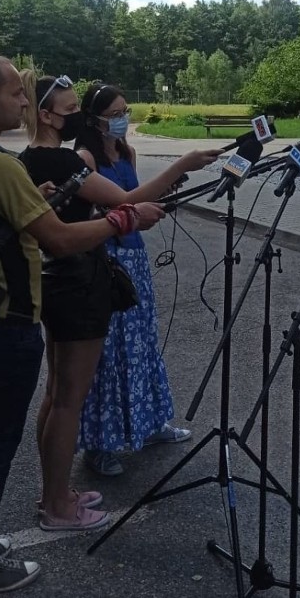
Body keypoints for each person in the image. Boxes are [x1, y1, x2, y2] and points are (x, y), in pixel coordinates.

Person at [0, 55, 164, 598]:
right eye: (16, 92)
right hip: (6, 316)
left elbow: (0, 225)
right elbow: (60, 240)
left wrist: (32, 205)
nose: (24, 99)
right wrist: (121, 220)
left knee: (2, 432)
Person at [17, 72, 167, 532]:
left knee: (56, 393)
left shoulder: (27, 159)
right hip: (78, 282)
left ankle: (55, 491)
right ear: (45, 115)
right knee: (69, 401)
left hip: (55, 281)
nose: (78, 118)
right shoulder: (60, 164)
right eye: (71, 111)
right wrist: (186, 165)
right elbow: (126, 200)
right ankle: (59, 508)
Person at [74, 82, 218, 476]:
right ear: (94, 119)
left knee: (142, 343)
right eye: (116, 114)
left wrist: (157, 201)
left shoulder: (127, 151)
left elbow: (135, 198)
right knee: (110, 352)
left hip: (134, 256)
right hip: (106, 259)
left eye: (126, 111)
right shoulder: (84, 157)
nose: (124, 119)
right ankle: (100, 444)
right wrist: (180, 165)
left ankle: (149, 423)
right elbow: (113, 207)